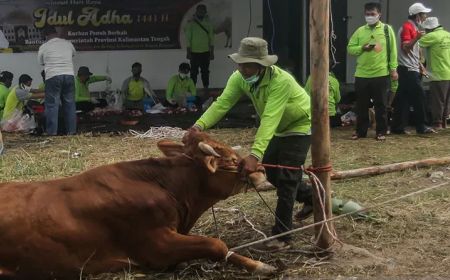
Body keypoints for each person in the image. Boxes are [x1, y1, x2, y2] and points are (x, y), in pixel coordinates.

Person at [187, 37, 313, 250]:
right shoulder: (239, 78)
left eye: (249, 65)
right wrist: (197, 127)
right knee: (272, 174)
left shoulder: (280, 81)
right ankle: (312, 197)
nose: (243, 69)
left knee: (287, 177)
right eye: (241, 63)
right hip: (277, 129)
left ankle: (283, 236)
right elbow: (222, 103)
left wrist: (255, 155)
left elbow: (271, 117)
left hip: (298, 126)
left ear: (263, 65)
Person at [347, 2, 398, 141]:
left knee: (381, 105)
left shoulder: (387, 30)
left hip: (381, 73)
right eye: (367, 14)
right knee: (361, 105)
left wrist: (393, 69)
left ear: (379, 14)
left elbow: (393, 51)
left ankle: (381, 131)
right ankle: (360, 131)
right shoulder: (360, 31)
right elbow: (350, 48)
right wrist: (362, 48)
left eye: (373, 14)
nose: (369, 17)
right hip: (362, 74)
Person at [391, 3, 435, 135]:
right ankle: (421, 126)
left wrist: (420, 66)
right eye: (423, 14)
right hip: (408, 69)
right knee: (419, 96)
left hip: (409, 68)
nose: (425, 17)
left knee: (402, 99)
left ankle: (397, 127)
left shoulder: (412, 27)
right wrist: (417, 38)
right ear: (417, 15)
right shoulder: (408, 27)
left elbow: (412, 52)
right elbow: (405, 47)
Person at [37, 26, 76, 135]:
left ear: (46, 36)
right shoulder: (68, 43)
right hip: (69, 75)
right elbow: (73, 55)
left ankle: (52, 133)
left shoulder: (44, 47)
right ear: (55, 33)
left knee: (52, 106)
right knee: (70, 104)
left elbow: (41, 62)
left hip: (53, 76)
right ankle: (71, 132)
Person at [419, 17, 450, 130]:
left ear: (429, 29)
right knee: (446, 100)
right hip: (448, 72)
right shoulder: (447, 34)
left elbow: (415, 45)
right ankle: (444, 123)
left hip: (438, 74)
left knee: (437, 100)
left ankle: (437, 123)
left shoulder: (431, 36)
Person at [185, 4, 214, 93]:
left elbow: (211, 38)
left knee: (205, 72)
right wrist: (188, 52)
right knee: (193, 72)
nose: (201, 12)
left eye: (203, 10)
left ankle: (206, 88)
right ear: (196, 11)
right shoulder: (191, 23)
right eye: (199, 10)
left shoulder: (208, 23)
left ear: (205, 12)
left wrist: (212, 52)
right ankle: (192, 90)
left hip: (205, 52)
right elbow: (188, 39)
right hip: (194, 52)